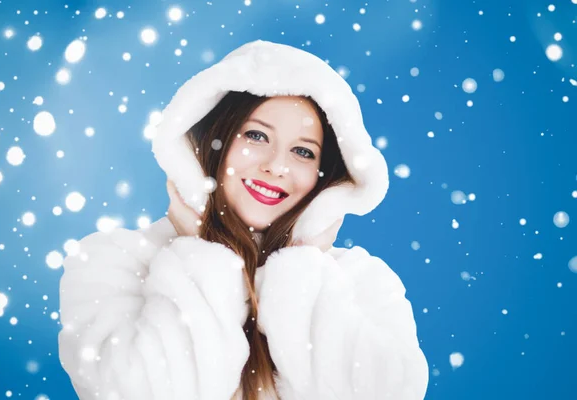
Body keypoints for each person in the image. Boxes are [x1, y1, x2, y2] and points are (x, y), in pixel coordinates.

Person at [58, 39, 429, 400]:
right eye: (256, 135)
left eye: (303, 151)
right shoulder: (114, 261)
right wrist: (203, 260)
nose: (276, 166)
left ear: (326, 177)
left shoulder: (362, 282)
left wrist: (301, 272)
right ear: (214, 139)